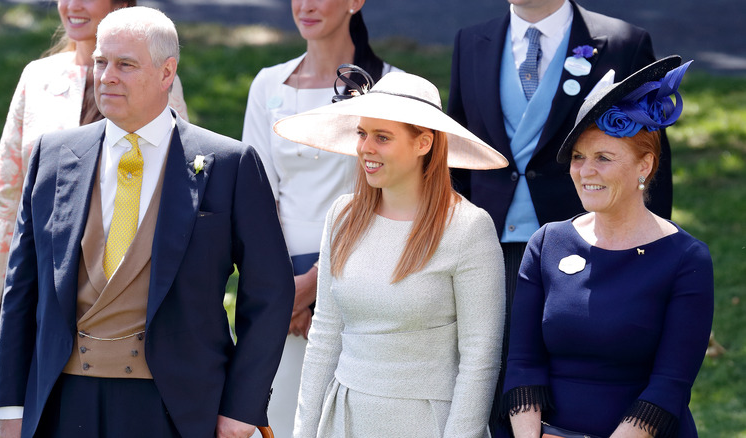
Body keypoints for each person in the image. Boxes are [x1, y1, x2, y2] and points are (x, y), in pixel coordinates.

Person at [0, 7, 293, 438]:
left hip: (177, 407)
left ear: (167, 72)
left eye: (125, 65)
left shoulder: (229, 164)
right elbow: (21, 289)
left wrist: (242, 410)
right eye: (101, 62)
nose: (107, 76)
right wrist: (10, 406)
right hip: (62, 401)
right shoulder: (53, 157)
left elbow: (269, 292)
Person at [447, 2, 673, 434]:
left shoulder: (624, 42)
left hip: (589, 255)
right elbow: (457, 161)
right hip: (483, 250)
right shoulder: (470, 41)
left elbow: (652, 161)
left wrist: (650, 262)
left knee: (566, 388)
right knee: (486, 383)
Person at [273, 69, 508, 437]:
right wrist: (304, 431)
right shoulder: (343, 216)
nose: (366, 147)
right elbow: (325, 335)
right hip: (345, 419)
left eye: (383, 137)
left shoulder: (468, 228)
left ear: (423, 143)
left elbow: (480, 359)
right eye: (362, 134)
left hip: (426, 423)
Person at [502, 56, 713, 438]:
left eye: (603, 158)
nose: (585, 172)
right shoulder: (546, 242)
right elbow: (523, 365)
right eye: (579, 157)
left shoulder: (686, 259)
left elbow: (669, 386)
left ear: (644, 166)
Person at [0, 0, 188, 334]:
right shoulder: (38, 76)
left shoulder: (155, 82)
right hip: (42, 271)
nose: (72, 5)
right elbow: (8, 180)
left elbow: (177, 180)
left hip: (123, 281)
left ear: (122, 5)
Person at [241, 1, 399, 435]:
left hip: (360, 283)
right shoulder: (267, 84)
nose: (306, 5)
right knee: (279, 415)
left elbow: (388, 200)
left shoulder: (392, 87)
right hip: (279, 289)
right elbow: (256, 198)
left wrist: (313, 284)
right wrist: (279, 291)